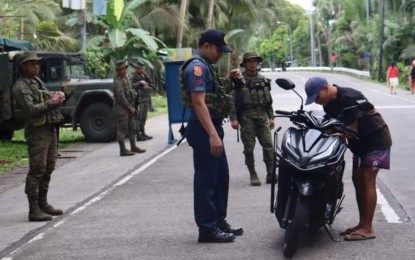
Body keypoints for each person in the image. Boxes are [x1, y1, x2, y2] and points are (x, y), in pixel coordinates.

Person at [304, 77, 392, 241]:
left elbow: (350, 130)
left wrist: (336, 133)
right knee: (357, 180)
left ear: (326, 88)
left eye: (317, 97)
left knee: (367, 181)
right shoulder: (329, 105)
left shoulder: (349, 97)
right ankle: (362, 224)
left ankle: (368, 228)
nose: (317, 102)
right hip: (360, 145)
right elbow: (332, 125)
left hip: (376, 141)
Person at [180, 29, 243, 243]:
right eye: (218, 49)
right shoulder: (196, 67)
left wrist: (229, 78)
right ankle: (207, 229)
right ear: (206, 45)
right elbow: (198, 102)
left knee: (220, 177)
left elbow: (211, 93)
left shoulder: (208, 67)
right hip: (204, 129)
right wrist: (213, 135)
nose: (220, 54)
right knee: (207, 179)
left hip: (212, 128)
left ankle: (218, 221)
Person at [12, 52, 65, 221]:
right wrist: (53, 102)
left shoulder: (36, 81)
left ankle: (43, 203)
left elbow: (45, 96)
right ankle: (33, 209)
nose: (36, 66)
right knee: (37, 169)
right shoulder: (20, 87)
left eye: (37, 63)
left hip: (48, 129)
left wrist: (57, 95)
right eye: (31, 63)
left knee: (48, 167)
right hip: (37, 132)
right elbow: (31, 110)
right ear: (22, 67)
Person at [231, 52, 276, 186]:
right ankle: (253, 174)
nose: (252, 64)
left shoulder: (264, 80)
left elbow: (268, 101)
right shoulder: (238, 82)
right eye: (249, 61)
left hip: (262, 116)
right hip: (246, 117)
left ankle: (271, 173)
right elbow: (232, 101)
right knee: (249, 148)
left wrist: (271, 117)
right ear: (244, 64)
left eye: (254, 61)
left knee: (268, 145)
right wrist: (234, 118)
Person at [112, 60, 145, 156]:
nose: (126, 71)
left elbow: (130, 93)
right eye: (123, 69)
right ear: (119, 70)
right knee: (122, 130)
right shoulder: (117, 82)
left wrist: (132, 106)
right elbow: (121, 97)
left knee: (132, 128)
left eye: (126, 69)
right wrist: (130, 107)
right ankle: (123, 150)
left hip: (129, 108)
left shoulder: (126, 80)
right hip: (121, 110)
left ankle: (133, 146)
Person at [131, 61, 155, 141]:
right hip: (138, 100)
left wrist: (147, 86)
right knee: (138, 118)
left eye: (143, 68)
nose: (143, 70)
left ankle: (143, 132)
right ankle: (138, 135)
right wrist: (139, 83)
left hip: (145, 99)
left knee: (144, 118)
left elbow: (152, 86)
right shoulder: (134, 77)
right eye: (141, 69)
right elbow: (131, 86)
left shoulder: (145, 76)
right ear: (137, 69)